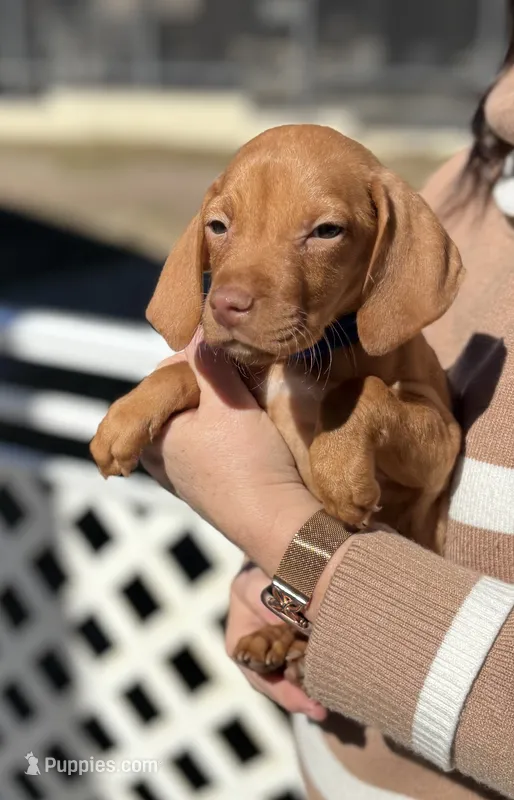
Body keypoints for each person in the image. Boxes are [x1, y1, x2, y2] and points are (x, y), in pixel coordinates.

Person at [142, 8, 514, 798]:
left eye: (322, 232)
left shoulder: (406, 213)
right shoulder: (465, 180)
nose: (235, 287)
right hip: (325, 766)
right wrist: (271, 579)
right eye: (219, 227)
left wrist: (270, 521)